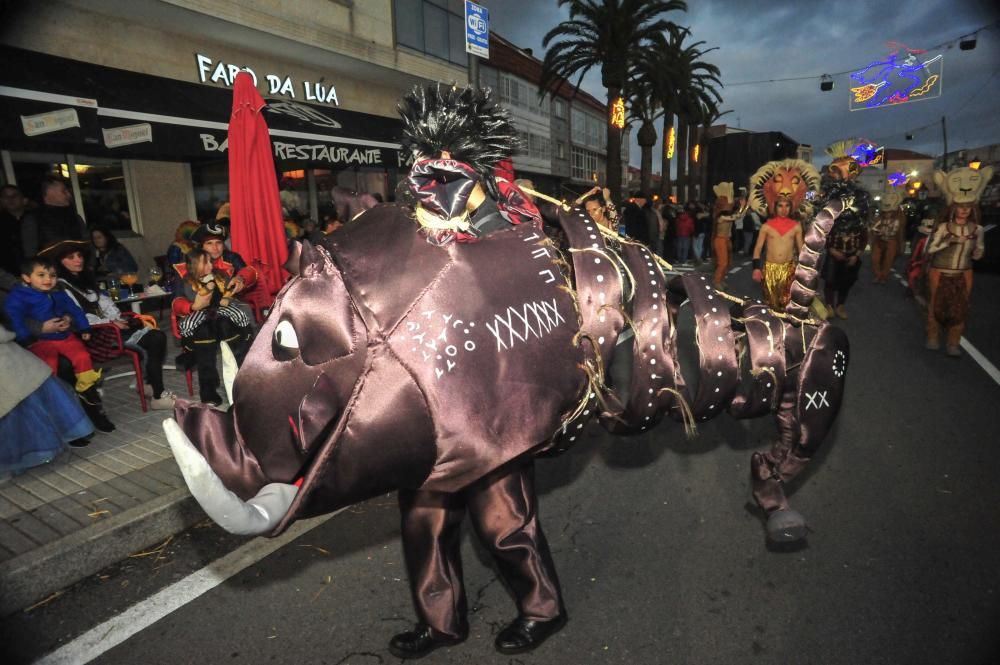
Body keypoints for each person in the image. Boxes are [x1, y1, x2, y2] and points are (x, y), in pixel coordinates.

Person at [385, 83, 566, 659]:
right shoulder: (403, 216)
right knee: (424, 519)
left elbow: (533, 281)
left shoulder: (512, 210)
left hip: (493, 391)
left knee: (503, 516)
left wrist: (476, 222)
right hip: (427, 391)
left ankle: (543, 609)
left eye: (445, 172)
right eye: (422, 170)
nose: (431, 182)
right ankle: (441, 622)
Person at [47, 240, 176, 410]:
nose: (78, 260)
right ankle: (156, 393)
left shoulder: (86, 280)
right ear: (61, 262)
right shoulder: (61, 287)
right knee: (155, 338)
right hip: (95, 336)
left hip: (111, 328)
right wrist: (110, 322)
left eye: (79, 256)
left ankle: (150, 386)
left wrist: (115, 318)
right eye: (71, 257)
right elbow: (78, 317)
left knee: (156, 335)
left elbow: (107, 304)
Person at [3, 256, 114, 432]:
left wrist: (78, 324)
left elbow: (74, 310)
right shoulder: (18, 296)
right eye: (41, 275)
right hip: (37, 342)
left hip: (64, 337)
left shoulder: (57, 291)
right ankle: (64, 423)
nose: (48, 279)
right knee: (51, 374)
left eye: (52, 275)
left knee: (81, 360)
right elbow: (14, 319)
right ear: (26, 277)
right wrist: (32, 333)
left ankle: (92, 406)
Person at [1, 322, 95, 477]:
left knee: (24, 404)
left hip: (15, 357)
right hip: (17, 358)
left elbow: (15, 317)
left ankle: (28, 453)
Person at [923, 164, 992, 356]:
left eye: (967, 208)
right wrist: (950, 241)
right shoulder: (944, 228)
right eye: (961, 207)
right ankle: (933, 336)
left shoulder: (977, 230)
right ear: (954, 208)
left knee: (961, 307)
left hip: (963, 272)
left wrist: (978, 252)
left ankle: (953, 342)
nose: (964, 211)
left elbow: (979, 250)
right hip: (940, 270)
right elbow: (932, 249)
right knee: (935, 305)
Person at [174, 248, 253, 406]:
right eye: (206, 262)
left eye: (211, 261)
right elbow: (190, 300)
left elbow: (229, 292)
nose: (211, 264)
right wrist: (205, 289)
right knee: (199, 332)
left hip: (220, 311)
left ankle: (245, 378)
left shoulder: (220, 275)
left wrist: (227, 296)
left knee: (235, 319)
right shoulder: (189, 281)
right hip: (203, 314)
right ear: (195, 265)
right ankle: (207, 389)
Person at [818, 139, 872, 320]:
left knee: (847, 280)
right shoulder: (829, 196)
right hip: (834, 245)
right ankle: (829, 305)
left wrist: (857, 253)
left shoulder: (862, 197)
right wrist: (831, 248)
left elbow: (864, 229)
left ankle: (841, 305)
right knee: (830, 279)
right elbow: (822, 225)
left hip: (853, 247)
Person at [752, 196, 803, 310]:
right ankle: (773, 326)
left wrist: (805, 270)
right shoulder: (766, 227)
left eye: (787, 206)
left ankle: (786, 325)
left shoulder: (796, 226)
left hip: (789, 270)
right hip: (769, 270)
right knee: (770, 304)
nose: (784, 209)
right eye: (780, 205)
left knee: (787, 303)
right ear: (775, 207)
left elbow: (801, 249)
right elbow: (757, 248)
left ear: (791, 208)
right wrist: (756, 268)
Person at [20, 177, 87, 257]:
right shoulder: (33, 219)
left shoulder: (75, 217)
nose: (68, 195)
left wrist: (90, 265)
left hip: (78, 266)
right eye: (64, 191)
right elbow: (30, 253)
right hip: (49, 268)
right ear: (49, 192)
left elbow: (87, 243)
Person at [870, 191, 904, 283]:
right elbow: (874, 227)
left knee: (888, 260)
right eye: (886, 212)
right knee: (875, 258)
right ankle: (878, 275)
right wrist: (877, 231)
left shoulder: (897, 220)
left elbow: (896, 232)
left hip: (891, 240)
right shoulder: (880, 219)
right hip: (880, 240)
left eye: (889, 212)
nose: (887, 213)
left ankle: (883, 277)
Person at [711, 183, 738, 288]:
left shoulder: (727, 215)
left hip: (726, 240)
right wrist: (744, 207)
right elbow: (735, 217)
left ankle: (721, 280)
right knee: (722, 263)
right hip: (720, 240)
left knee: (727, 263)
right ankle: (717, 281)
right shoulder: (721, 217)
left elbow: (735, 216)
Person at [1, 185, 29, 277]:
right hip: (9, 274)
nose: (10, 199)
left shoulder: (35, 219)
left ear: (24, 199)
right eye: (6, 196)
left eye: (14, 195)